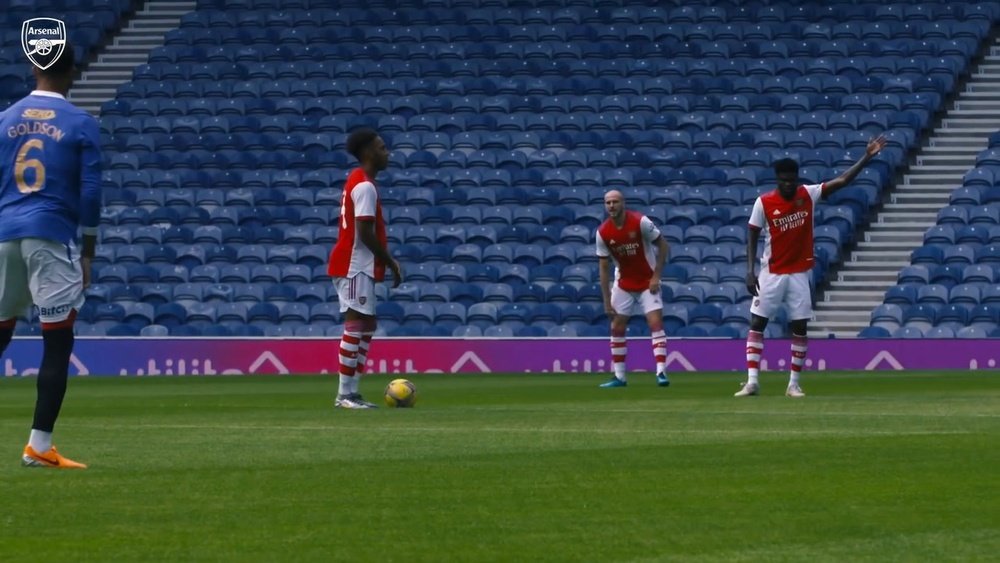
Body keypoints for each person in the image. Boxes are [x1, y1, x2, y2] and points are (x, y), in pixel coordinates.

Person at [0, 43, 99, 468]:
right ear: (72, 71)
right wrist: (89, 252)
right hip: (51, 235)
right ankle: (39, 447)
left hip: (4, 234)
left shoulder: (4, 119)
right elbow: (91, 192)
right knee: (57, 342)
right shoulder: (81, 122)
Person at [736, 135, 887, 398]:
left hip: (799, 273)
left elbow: (842, 182)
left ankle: (793, 384)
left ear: (797, 179)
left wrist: (866, 157)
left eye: (791, 180)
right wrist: (749, 270)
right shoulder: (764, 203)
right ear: (777, 180)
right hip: (771, 272)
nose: (787, 185)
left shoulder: (807, 194)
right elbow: (751, 234)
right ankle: (752, 382)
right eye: (783, 180)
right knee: (757, 322)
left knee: (800, 327)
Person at [328, 128, 402, 409]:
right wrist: (389, 260)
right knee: (356, 322)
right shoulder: (364, 186)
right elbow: (365, 232)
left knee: (367, 324)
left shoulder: (360, 181)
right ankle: (345, 394)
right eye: (382, 148)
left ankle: (352, 392)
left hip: (357, 264)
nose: (387, 153)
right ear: (369, 153)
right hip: (355, 264)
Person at [595, 190, 672, 388]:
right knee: (617, 327)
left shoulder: (640, 222)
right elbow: (603, 268)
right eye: (608, 203)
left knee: (655, 323)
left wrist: (656, 276)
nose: (611, 206)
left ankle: (661, 372)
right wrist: (606, 300)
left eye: (615, 202)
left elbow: (663, 246)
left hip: (648, 281)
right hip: (624, 283)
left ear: (623, 203)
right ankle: (620, 377)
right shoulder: (603, 232)